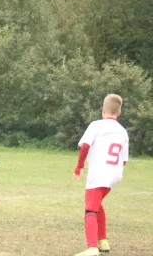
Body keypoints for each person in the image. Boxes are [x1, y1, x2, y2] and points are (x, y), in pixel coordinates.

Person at [73, 94, 129, 256]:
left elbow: (84, 146)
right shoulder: (123, 131)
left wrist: (79, 166)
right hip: (115, 174)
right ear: (119, 113)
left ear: (103, 110)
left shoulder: (96, 125)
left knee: (90, 209)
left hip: (99, 174)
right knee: (98, 205)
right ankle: (102, 240)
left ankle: (92, 247)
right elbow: (124, 160)